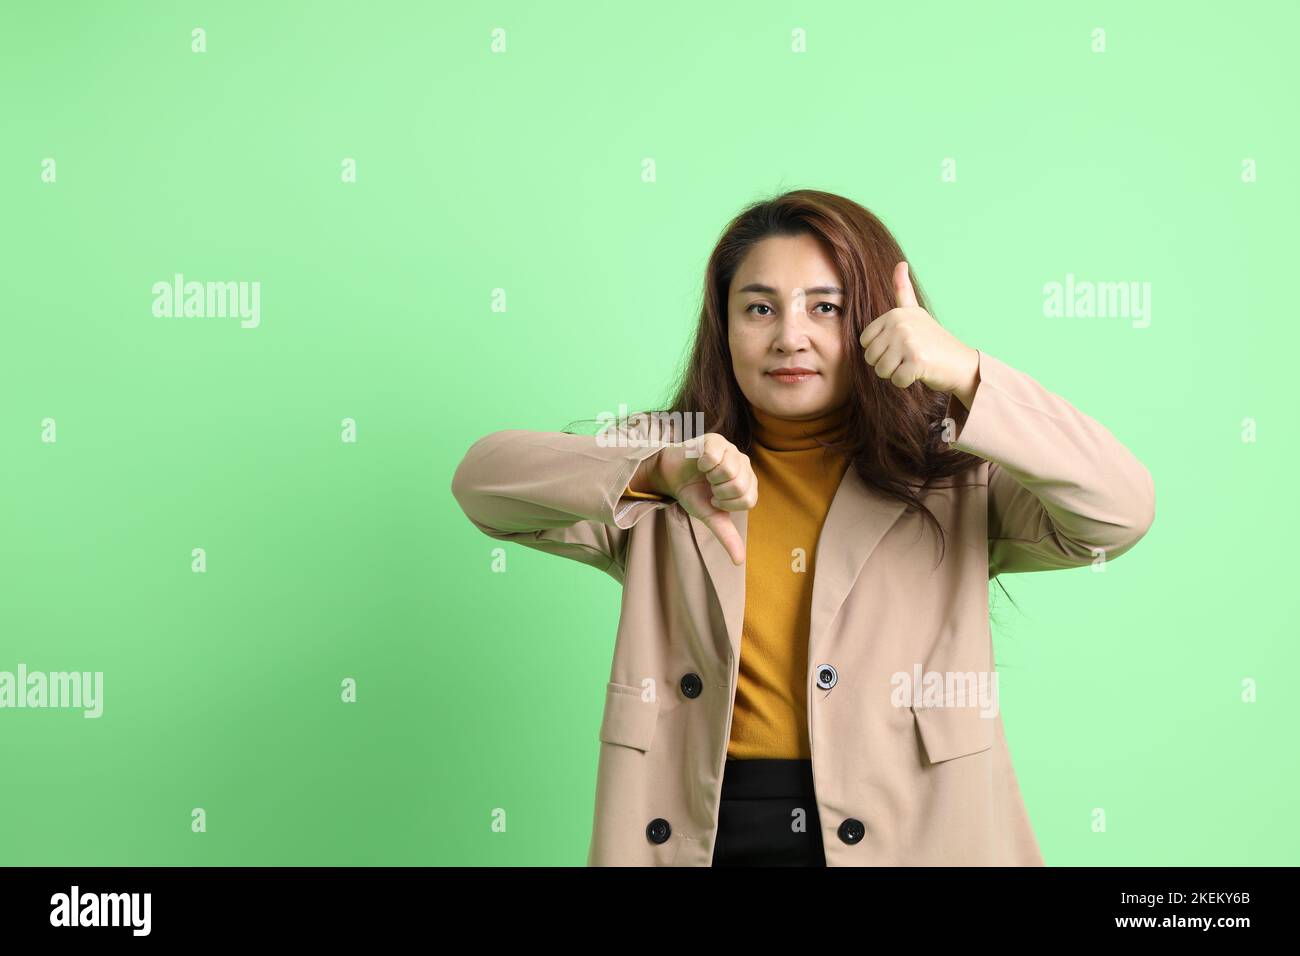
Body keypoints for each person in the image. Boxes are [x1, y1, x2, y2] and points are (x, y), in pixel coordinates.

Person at [451, 189, 1155, 866]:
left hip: (913, 829)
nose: (791, 336)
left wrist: (969, 373)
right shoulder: (676, 463)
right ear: (723, 328)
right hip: (701, 827)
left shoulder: (951, 476)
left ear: (879, 323)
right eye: (759, 307)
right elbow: (483, 482)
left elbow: (1120, 508)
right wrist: (654, 473)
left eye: (827, 307)